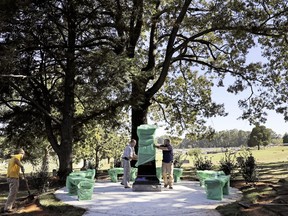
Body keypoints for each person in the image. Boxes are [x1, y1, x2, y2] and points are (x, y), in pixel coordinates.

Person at [4, 148, 25, 213]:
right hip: (13, 178)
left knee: (14, 192)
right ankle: (7, 208)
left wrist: (21, 177)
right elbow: (17, 160)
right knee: (13, 193)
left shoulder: (12, 159)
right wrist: (22, 166)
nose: (23, 156)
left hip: (11, 177)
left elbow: (16, 170)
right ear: (21, 153)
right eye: (23, 154)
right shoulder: (18, 156)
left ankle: (11, 205)